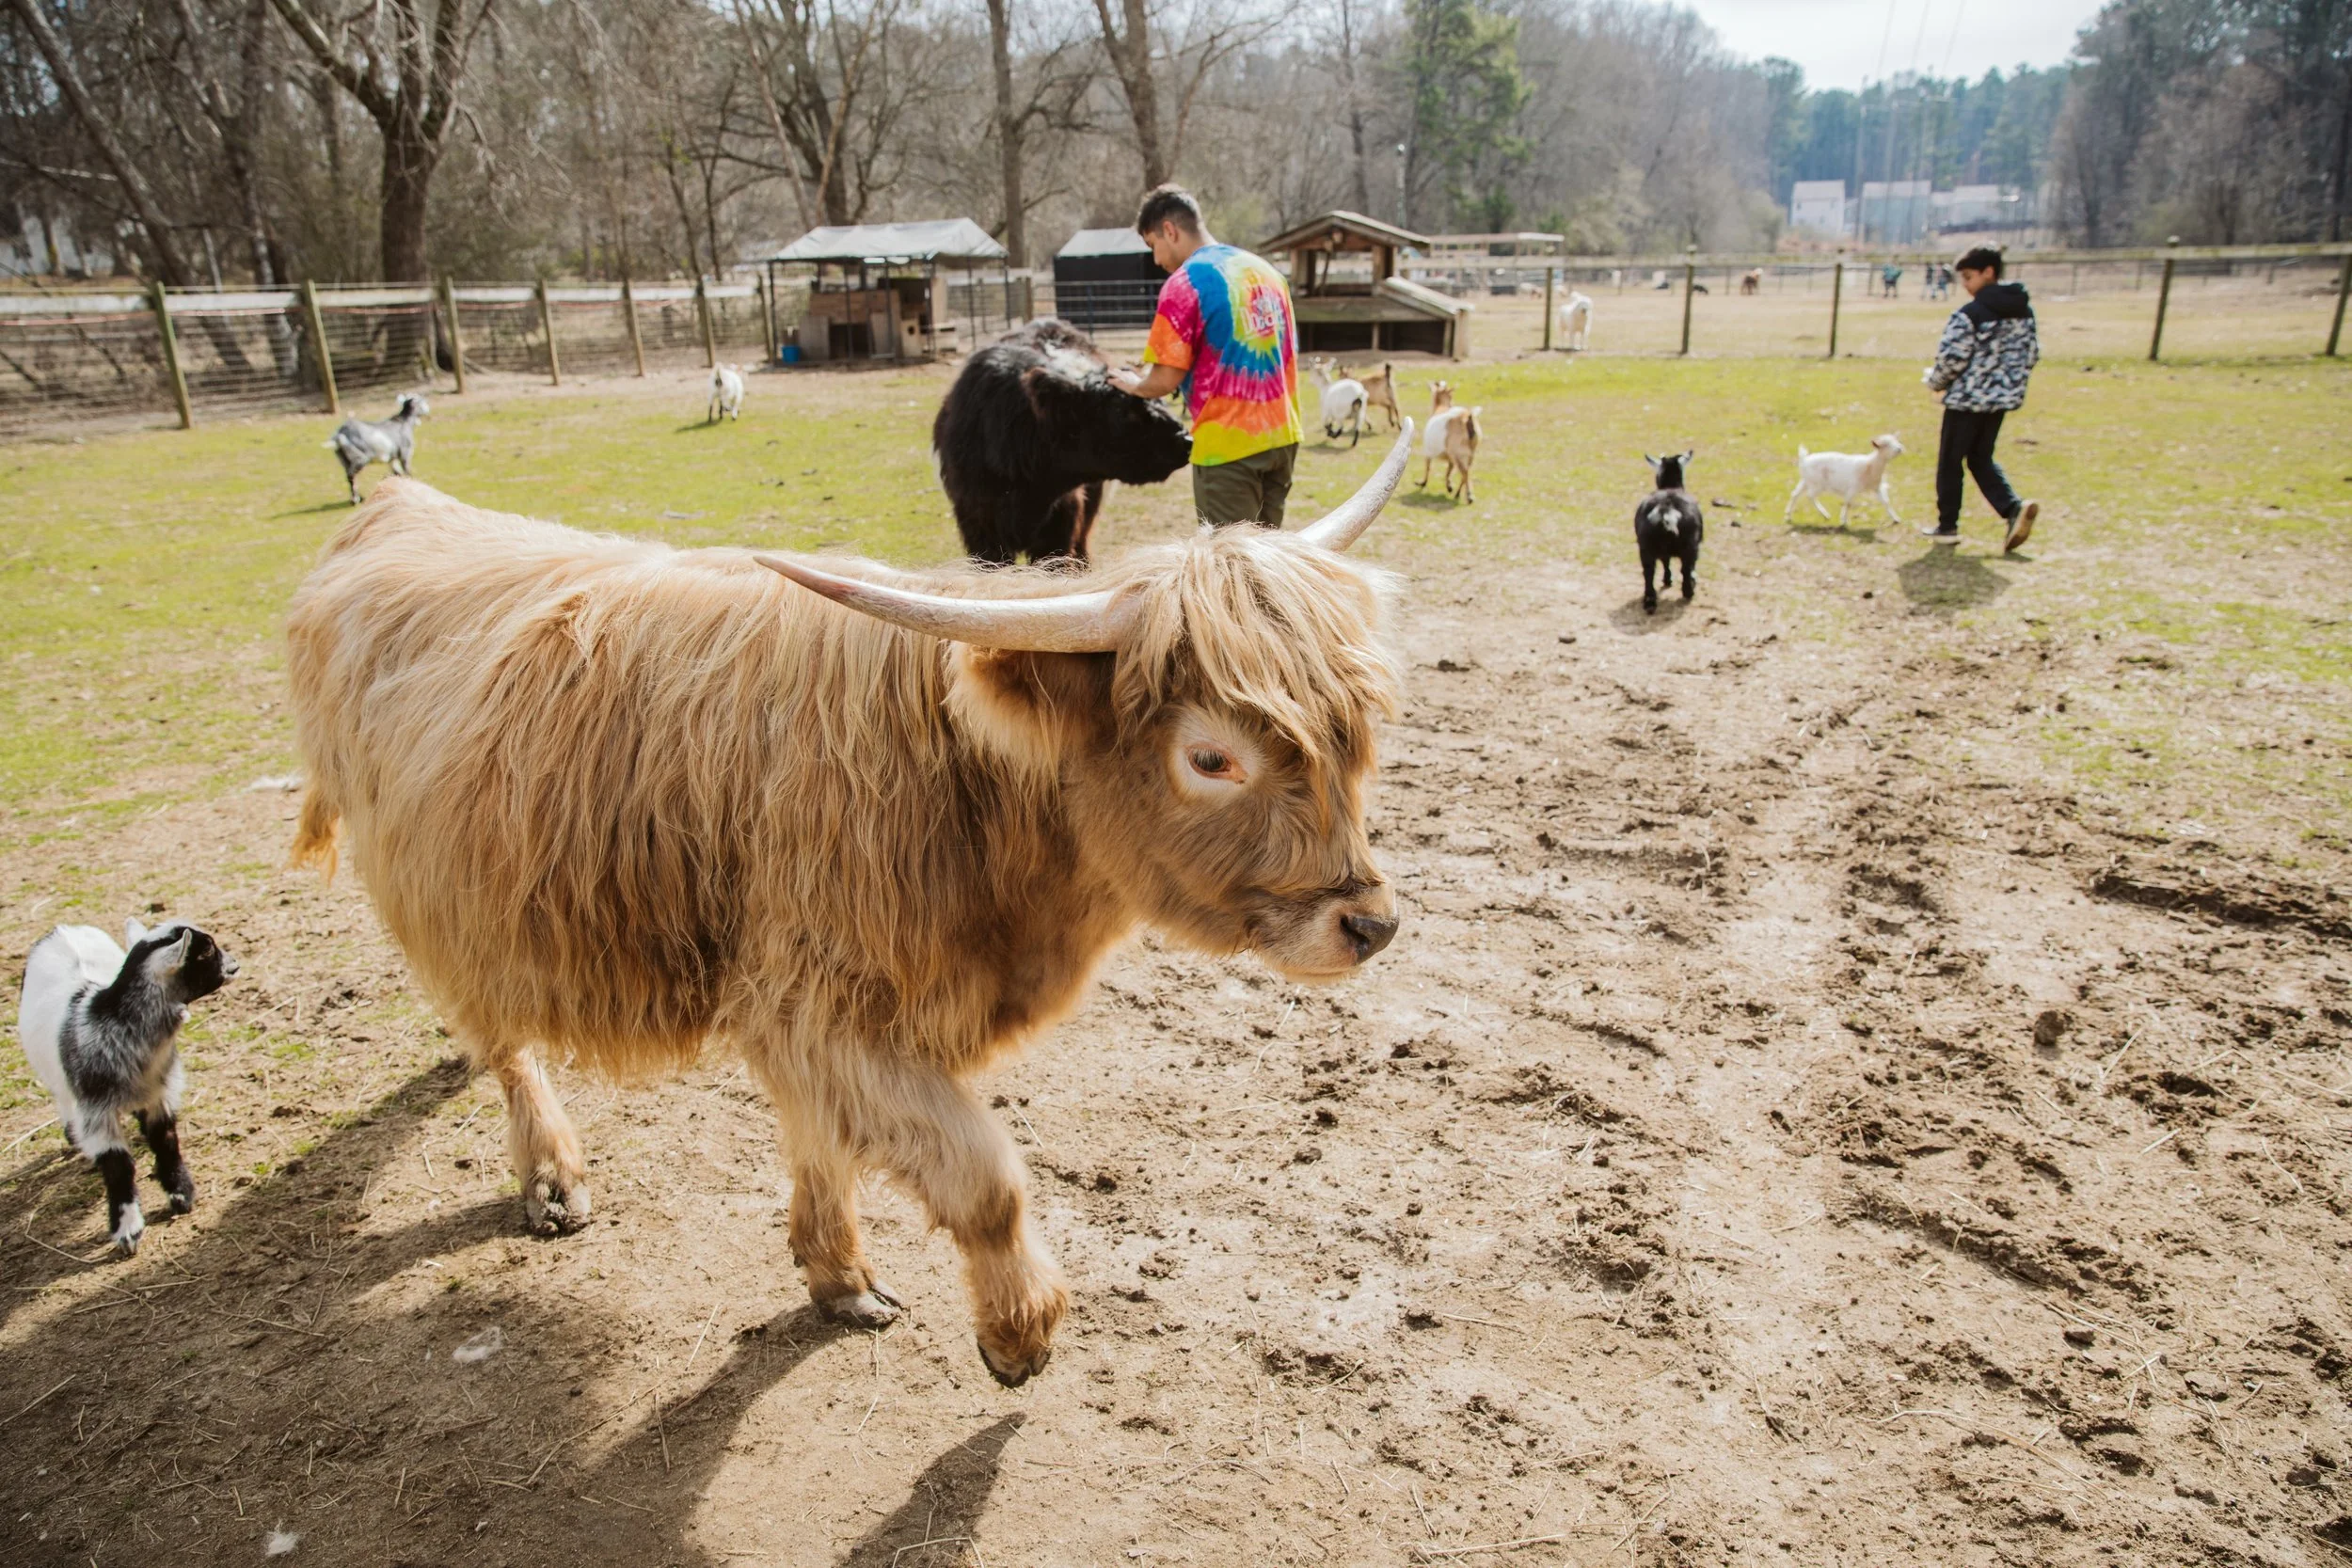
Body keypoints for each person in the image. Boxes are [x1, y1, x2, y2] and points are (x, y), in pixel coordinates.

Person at [1111, 185, 1302, 529]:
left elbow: (1164, 379)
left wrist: (1135, 384)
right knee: (1270, 563)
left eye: (1153, 245)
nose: (1156, 260)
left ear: (1169, 231)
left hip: (1228, 448)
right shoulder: (1266, 272)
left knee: (1231, 571)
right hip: (1282, 437)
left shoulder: (1185, 284)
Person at [1921, 244, 2042, 551]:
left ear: (1989, 272)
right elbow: (2032, 354)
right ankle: (2013, 509)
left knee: (1950, 461)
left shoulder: (1971, 314)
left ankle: (1947, 525)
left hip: (1967, 400)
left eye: (1969, 277)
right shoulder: (2023, 312)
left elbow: (1953, 359)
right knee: (1979, 457)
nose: (1965, 285)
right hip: (2001, 400)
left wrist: (1935, 382)